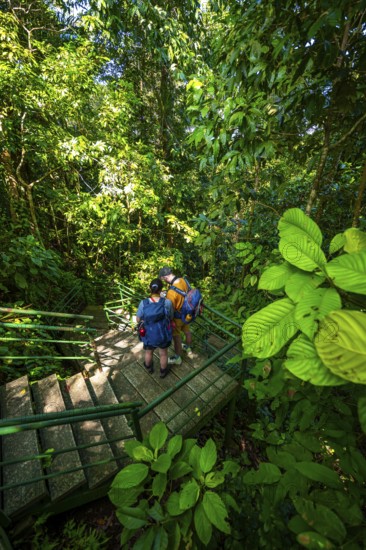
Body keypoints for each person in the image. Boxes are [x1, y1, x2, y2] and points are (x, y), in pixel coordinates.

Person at [136, 278, 174, 378]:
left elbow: (137, 319)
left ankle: (149, 368)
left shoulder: (143, 303)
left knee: (148, 352)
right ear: (161, 290)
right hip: (163, 333)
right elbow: (170, 317)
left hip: (149, 334)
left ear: (150, 289)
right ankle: (162, 372)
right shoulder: (167, 303)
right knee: (163, 354)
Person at [158, 266, 193, 365]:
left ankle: (178, 358)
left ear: (165, 277)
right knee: (187, 331)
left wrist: (164, 298)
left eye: (163, 279)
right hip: (187, 313)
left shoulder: (171, 292)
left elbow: (170, 309)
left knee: (176, 337)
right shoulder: (183, 280)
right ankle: (188, 347)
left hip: (178, 317)